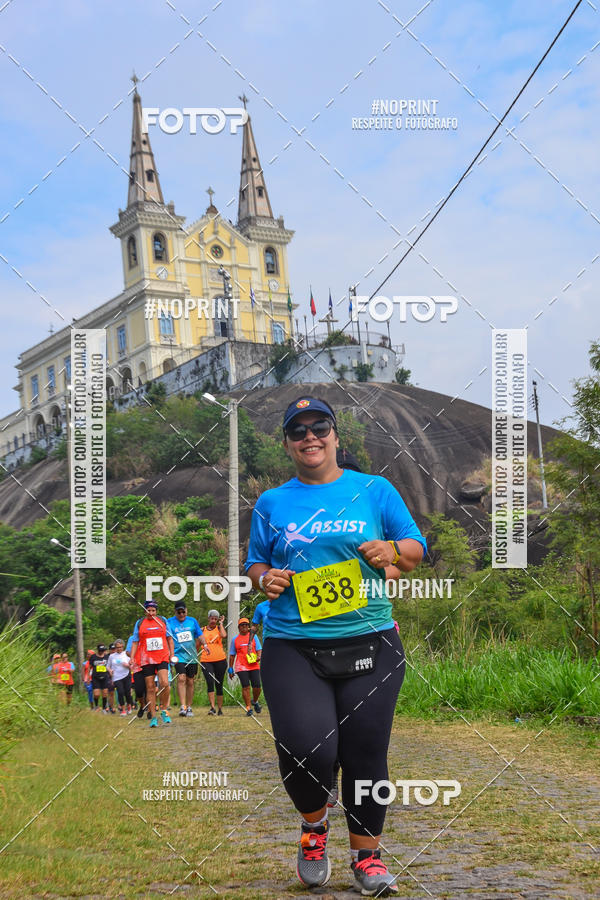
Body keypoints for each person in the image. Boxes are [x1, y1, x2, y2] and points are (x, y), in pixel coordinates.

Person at [245, 396, 426, 895]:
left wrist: (391, 549)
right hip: (293, 645)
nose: (310, 437)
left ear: (335, 435)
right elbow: (255, 563)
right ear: (287, 443)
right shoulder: (272, 503)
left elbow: (414, 549)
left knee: (367, 752)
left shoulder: (374, 489)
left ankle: (368, 858)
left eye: (318, 427)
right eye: (298, 431)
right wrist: (266, 580)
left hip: (371, 641)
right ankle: (313, 829)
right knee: (308, 749)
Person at [129, 600, 175, 728]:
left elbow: (170, 639)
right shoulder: (140, 623)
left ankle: (164, 710)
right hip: (147, 659)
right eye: (148, 610)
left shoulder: (163, 621)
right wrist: (132, 657)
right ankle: (153, 716)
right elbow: (135, 641)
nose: (151, 613)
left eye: (153, 610)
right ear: (145, 611)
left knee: (164, 683)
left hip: (162, 657)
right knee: (150, 687)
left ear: (156, 611)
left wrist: (172, 654)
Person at [167, 601, 206, 717]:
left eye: (183, 611)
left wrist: (206, 645)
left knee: (190, 681)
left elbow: (200, 635)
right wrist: (169, 653)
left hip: (191, 656)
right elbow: (167, 638)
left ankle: (189, 706)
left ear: (186, 611)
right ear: (175, 612)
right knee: (181, 678)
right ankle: (183, 706)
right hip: (178, 656)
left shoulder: (192, 621)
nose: (181, 614)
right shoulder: (169, 622)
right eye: (179, 612)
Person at [228, 617, 262, 716]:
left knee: (257, 687)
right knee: (245, 686)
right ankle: (248, 708)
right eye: (242, 625)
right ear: (239, 627)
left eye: (246, 625)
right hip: (241, 666)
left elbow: (259, 648)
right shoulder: (235, 639)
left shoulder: (254, 637)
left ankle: (255, 701)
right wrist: (230, 668)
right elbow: (232, 655)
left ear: (248, 627)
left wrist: (259, 656)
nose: (244, 627)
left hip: (254, 664)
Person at [200, 610, 227, 716]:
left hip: (220, 659)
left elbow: (224, 635)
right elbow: (198, 643)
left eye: (215, 619)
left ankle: (220, 708)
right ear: (208, 618)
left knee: (219, 683)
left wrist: (221, 624)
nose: (213, 621)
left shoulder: (219, 629)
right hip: (206, 660)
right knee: (210, 682)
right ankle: (212, 707)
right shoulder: (203, 630)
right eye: (212, 618)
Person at [108, 639, 132, 716]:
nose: (119, 649)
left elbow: (132, 666)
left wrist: (128, 665)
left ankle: (129, 705)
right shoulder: (112, 656)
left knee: (127, 693)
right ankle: (123, 710)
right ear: (115, 647)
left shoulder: (126, 654)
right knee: (120, 692)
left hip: (126, 675)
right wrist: (110, 670)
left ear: (123, 647)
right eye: (118, 647)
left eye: (121, 647)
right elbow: (107, 666)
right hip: (116, 677)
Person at [127, 633, 148, 719]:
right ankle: (142, 705)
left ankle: (150, 709)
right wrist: (135, 655)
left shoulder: (149, 636)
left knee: (149, 688)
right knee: (139, 690)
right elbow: (128, 652)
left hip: (149, 664)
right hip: (137, 667)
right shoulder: (132, 638)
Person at [89, 644, 110, 712]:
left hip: (105, 677)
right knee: (96, 694)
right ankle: (96, 706)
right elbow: (89, 667)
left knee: (105, 694)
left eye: (102, 650)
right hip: (96, 678)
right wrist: (87, 677)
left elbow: (109, 666)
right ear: (98, 650)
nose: (101, 652)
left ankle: (104, 708)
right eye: (100, 651)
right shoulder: (93, 657)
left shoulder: (107, 657)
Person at [106, 642, 117, 714]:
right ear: (109, 650)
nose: (113, 651)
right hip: (109, 676)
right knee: (111, 692)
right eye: (112, 649)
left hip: (118, 675)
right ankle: (111, 706)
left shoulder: (118, 655)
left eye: (114, 649)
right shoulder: (107, 657)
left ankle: (120, 705)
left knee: (121, 692)